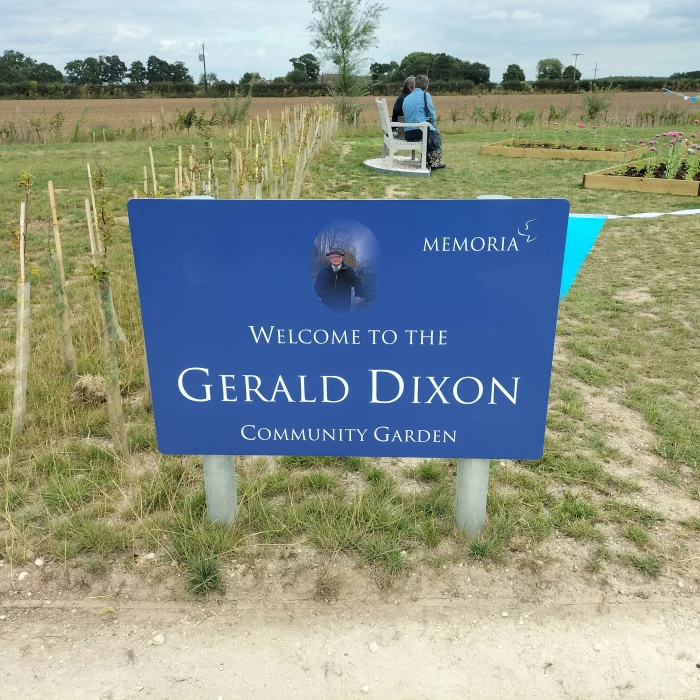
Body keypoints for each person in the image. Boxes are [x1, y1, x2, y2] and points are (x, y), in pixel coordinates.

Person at [400, 74, 446, 169]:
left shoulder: (407, 98)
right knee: (435, 133)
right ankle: (434, 162)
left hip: (408, 133)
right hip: (420, 132)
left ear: (415, 85)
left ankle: (427, 159)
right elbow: (431, 115)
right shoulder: (426, 95)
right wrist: (434, 126)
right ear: (427, 86)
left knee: (429, 131)